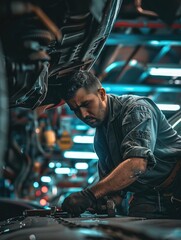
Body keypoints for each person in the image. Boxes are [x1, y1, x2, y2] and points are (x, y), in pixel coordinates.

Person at [61, 70, 181, 219]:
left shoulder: (136, 109)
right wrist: (102, 202)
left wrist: (89, 195)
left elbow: (137, 165)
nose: (83, 114)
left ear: (102, 94)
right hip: (148, 196)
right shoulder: (100, 139)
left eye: (86, 104)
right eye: (76, 110)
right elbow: (116, 193)